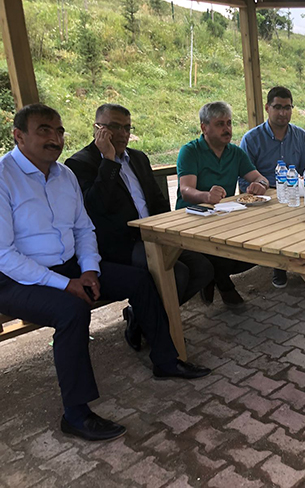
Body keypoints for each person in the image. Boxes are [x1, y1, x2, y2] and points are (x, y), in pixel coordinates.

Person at [0, 104, 210, 442]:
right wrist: (65, 283)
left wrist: (89, 269)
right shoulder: (4, 176)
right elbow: (4, 255)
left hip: (69, 266)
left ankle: (166, 360)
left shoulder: (63, 175)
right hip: (16, 279)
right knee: (71, 310)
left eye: (59, 131)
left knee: (139, 279)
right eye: (44, 130)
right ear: (19, 136)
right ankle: (76, 414)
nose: (55, 138)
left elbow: (84, 229)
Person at [65, 104, 214, 351]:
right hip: (120, 245)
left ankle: (139, 316)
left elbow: (157, 200)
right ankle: (160, 332)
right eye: (114, 127)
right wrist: (108, 160)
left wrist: (168, 232)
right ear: (97, 129)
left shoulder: (138, 158)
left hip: (153, 236)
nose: (122, 134)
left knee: (202, 268)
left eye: (127, 127)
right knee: (177, 274)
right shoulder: (80, 163)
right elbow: (95, 206)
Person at [176, 101, 269, 305]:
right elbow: (186, 190)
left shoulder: (235, 152)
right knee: (219, 255)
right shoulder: (190, 151)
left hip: (224, 218)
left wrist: (260, 184)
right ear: (204, 127)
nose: (227, 129)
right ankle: (224, 286)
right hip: (192, 220)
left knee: (256, 245)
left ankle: (215, 280)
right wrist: (205, 196)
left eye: (229, 123)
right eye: (220, 124)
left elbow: (259, 178)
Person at [239, 86, 305, 289]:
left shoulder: (300, 135)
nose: (283, 113)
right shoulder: (251, 139)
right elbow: (243, 180)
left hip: (293, 191)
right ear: (267, 108)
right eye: (277, 107)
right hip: (265, 196)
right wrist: (258, 190)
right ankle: (279, 266)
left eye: (287, 108)